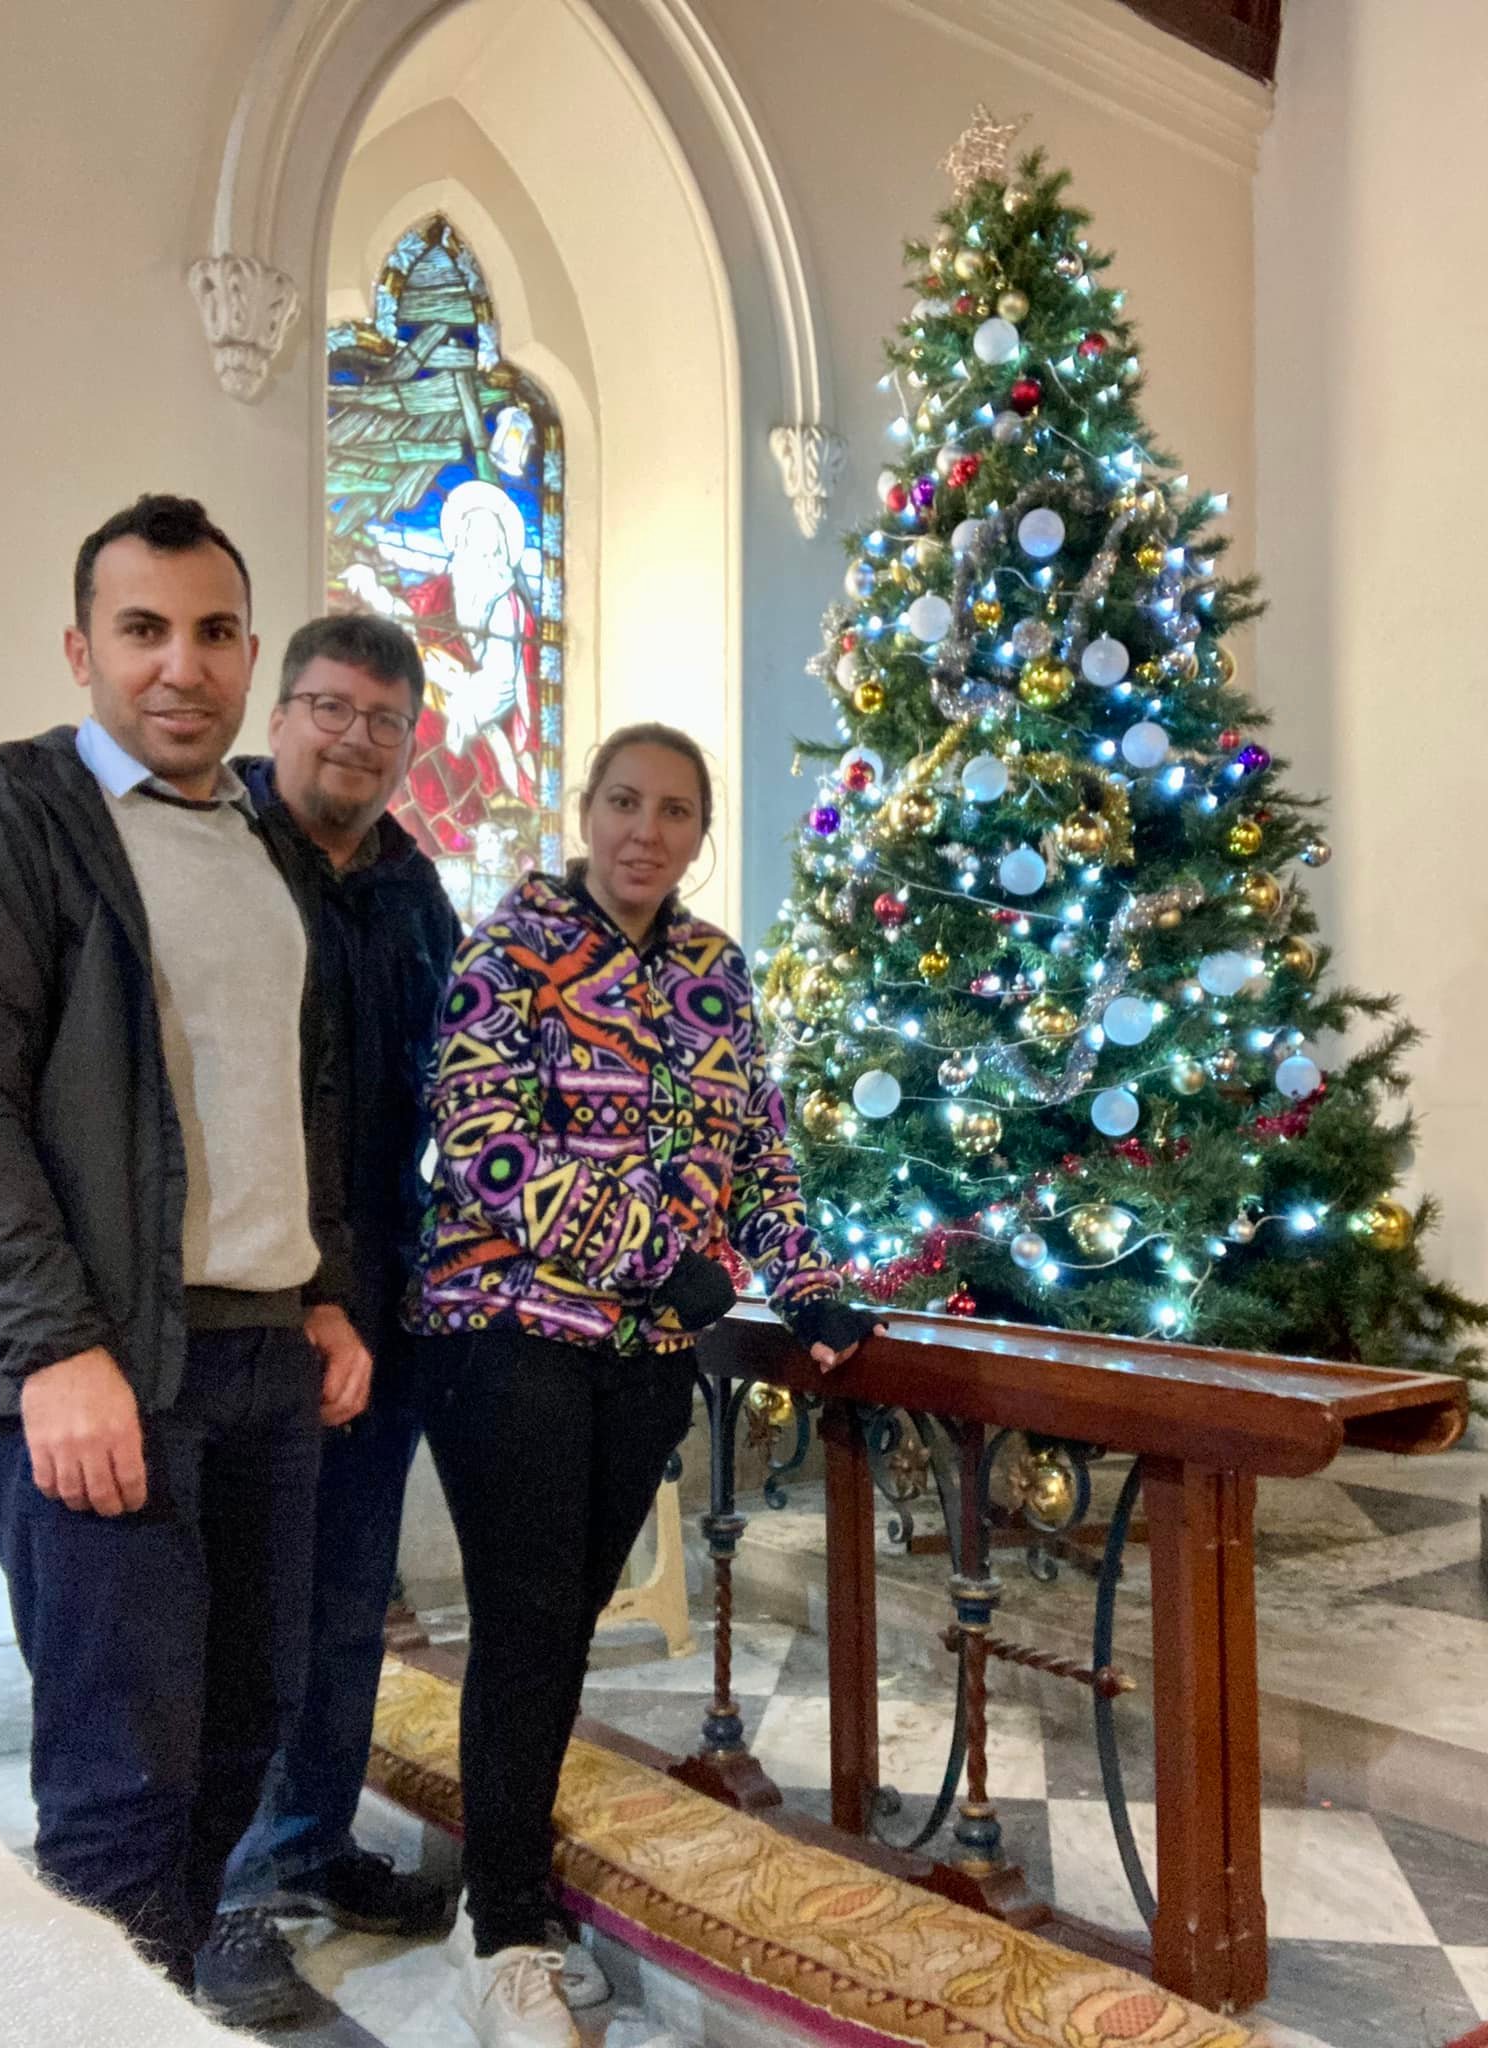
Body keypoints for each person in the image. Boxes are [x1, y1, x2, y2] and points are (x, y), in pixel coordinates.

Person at [408, 722, 880, 2048]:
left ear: (698, 833)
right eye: (623, 802)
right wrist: (658, 1257)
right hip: (502, 1331)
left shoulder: (713, 969)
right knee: (527, 1623)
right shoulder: (510, 946)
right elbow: (484, 1142)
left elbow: (758, 1148)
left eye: (674, 812)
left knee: (562, 1629)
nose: (644, 832)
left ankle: (498, 1893)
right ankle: (502, 1935)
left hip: (642, 1356)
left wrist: (799, 1285)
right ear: (584, 808)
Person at [0, 495, 372, 1996]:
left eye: (213, 633)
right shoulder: (20, 817)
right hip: (105, 1367)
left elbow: (304, 1090)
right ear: (83, 648)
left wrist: (326, 1292)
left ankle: (165, 1984)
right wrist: (51, 1349)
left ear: (251, 655)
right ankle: (103, 2012)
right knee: (118, 1781)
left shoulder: (268, 844)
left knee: (238, 1733)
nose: (180, 667)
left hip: (266, 1359)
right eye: (143, 630)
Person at [191, 614, 463, 2026]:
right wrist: (303, 1292)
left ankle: (312, 1846)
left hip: (390, 1306)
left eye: (381, 720)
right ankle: (229, 1893)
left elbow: (458, 1088)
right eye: (328, 707)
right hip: (248, 1303)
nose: (352, 738)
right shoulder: (213, 853)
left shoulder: (417, 889)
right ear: (279, 713)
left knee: (350, 1602)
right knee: (248, 1609)